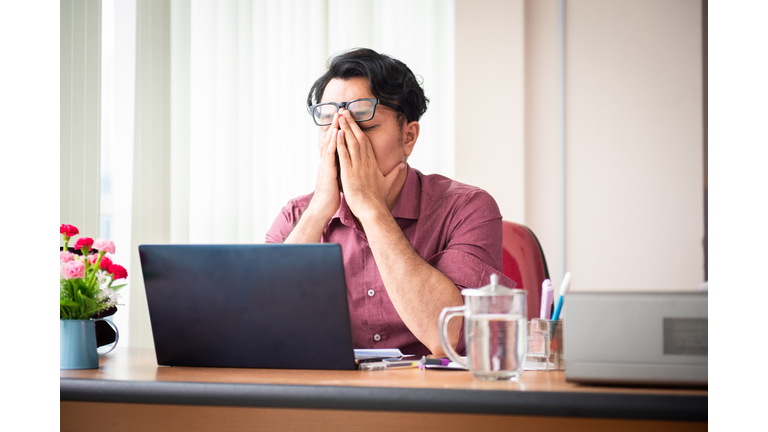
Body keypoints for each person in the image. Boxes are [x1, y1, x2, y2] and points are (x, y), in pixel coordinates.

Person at [266, 48, 516, 358]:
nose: (342, 138)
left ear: (408, 136)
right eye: (330, 124)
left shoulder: (467, 208)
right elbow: (258, 327)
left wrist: (371, 209)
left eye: (364, 126)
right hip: (328, 396)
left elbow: (452, 338)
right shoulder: (296, 216)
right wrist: (319, 209)